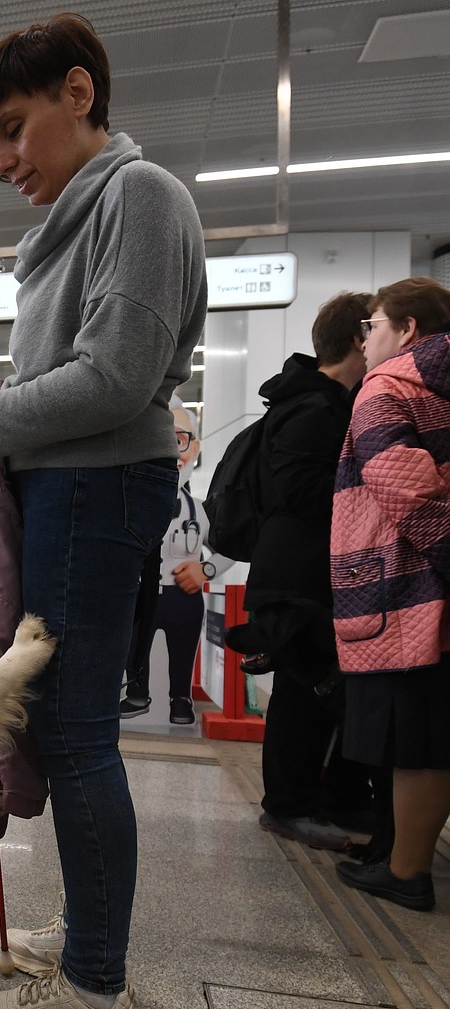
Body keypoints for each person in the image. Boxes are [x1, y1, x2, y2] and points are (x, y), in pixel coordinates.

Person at [0, 14, 206, 1009]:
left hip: (93, 489)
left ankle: (95, 997)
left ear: (78, 94)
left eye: (11, 130)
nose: (4, 163)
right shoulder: (85, 214)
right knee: (72, 724)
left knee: (80, 734)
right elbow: (77, 371)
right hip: (69, 492)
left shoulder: (138, 195)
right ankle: (91, 940)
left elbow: (118, 379)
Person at [236, 292, 385, 853]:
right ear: (357, 338)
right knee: (305, 694)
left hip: (305, 573)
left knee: (326, 694)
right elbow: (298, 490)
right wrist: (374, 487)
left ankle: (333, 798)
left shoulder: (319, 401)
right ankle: (288, 805)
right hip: (298, 577)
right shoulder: (314, 408)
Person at [332, 277, 450, 911]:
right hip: (430, 590)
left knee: (414, 739)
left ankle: (406, 872)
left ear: (407, 331)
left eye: (373, 325)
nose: (366, 340)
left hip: (401, 587)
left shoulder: (385, 389)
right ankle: (402, 858)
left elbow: (406, 491)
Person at [120, 402, 231, 726]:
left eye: (179, 439)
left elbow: (231, 550)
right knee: (133, 648)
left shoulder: (201, 510)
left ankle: (179, 699)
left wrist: (206, 570)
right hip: (141, 595)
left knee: (183, 650)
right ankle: (136, 695)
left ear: (193, 447)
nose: (169, 450)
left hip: (183, 596)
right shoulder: (127, 505)